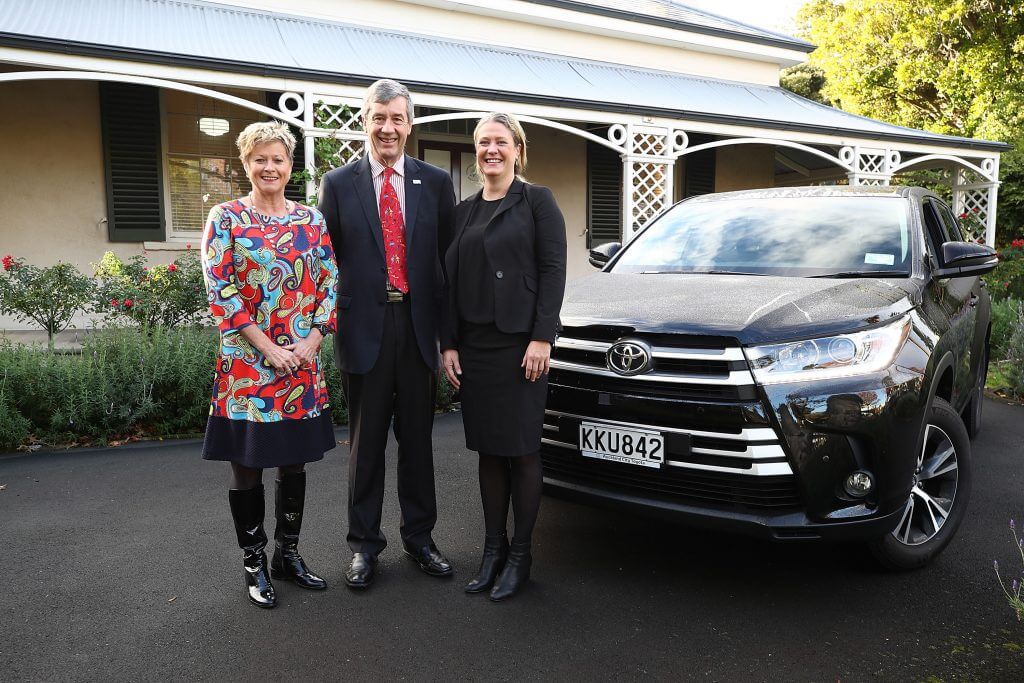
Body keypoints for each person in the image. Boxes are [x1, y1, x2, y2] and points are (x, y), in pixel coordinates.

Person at [318, 79, 456, 589]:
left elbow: (447, 265)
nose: (388, 128)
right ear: (365, 121)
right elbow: (324, 264)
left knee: (418, 443)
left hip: (419, 331)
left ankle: (420, 538)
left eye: (397, 119)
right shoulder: (338, 183)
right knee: (366, 444)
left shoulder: (436, 183)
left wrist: (449, 339)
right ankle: (364, 545)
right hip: (364, 330)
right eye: (379, 117)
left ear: (410, 125)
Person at [201, 120, 338, 609]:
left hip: (301, 362)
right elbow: (221, 291)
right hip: (248, 369)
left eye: (278, 158)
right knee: (248, 464)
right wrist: (268, 348)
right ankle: (254, 563)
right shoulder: (227, 217)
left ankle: (289, 554)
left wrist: (313, 339)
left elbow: (329, 285)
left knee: (293, 461)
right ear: (245, 163)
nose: (269, 167)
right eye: (260, 158)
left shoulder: (311, 221)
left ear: (289, 163)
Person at [441, 113, 567, 601]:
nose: (490, 150)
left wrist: (543, 338)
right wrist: (448, 343)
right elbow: (448, 283)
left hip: (521, 347)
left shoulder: (538, 201)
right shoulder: (463, 211)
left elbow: (553, 269)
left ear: (517, 147)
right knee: (489, 450)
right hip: (475, 347)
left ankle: (520, 555)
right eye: (482, 143)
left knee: (522, 449)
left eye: (500, 141)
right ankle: (492, 551)